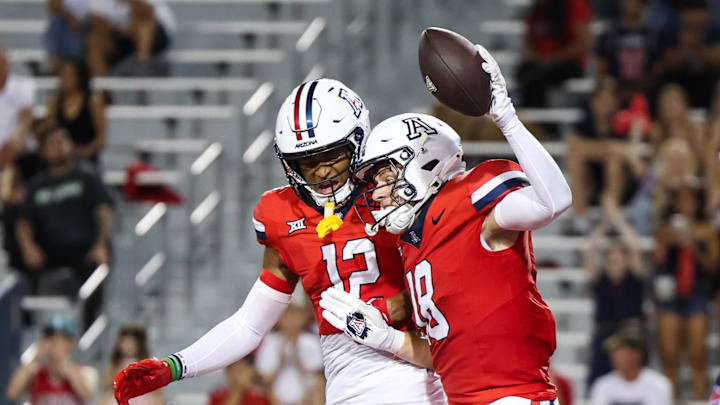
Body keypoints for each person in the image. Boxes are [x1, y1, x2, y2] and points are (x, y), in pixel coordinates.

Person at [112, 79, 446, 405]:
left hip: (421, 356)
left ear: (358, 142)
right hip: (347, 377)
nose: (321, 173)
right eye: (308, 163)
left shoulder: (398, 190)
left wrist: (389, 308)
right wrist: (176, 366)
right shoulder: (280, 214)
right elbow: (250, 323)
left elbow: (445, 278)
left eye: (332, 157)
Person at [320, 46, 572, 404]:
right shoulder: (413, 246)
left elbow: (555, 201)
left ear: (422, 162)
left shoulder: (470, 201)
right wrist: (385, 339)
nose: (375, 191)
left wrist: (507, 120)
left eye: (383, 175)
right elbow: (448, 355)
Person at [15, 124, 114, 329]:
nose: (59, 147)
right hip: (50, 252)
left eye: (63, 141)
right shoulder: (36, 185)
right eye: (52, 143)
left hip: (85, 251)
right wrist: (28, 247)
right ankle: (30, 330)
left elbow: (103, 213)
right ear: (43, 152)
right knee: (23, 269)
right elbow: (23, 222)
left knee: (96, 270)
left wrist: (100, 244)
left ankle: (90, 329)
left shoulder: (87, 177)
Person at [654, 185, 717, 398]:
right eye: (681, 200)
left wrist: (692, 245)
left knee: (698, 355)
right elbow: (656, 260)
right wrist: (670, 240)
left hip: (697, 293)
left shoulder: (706, 230)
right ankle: (672, 400)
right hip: (670, 294)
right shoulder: (665, 229)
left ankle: (700, 400)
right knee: (669, 354)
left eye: (690, 200)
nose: (686, 204)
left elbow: (713, 265)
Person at [584, 202, 646, 388]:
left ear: (626, 262)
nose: (615, 263)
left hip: (631, 336)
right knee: (597, 381)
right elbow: (589, 250)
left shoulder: (634, 279)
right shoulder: (600, 280)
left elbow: (634, 247)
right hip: (605, 338)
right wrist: (604, 224)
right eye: (611, 260)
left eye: (619, 260)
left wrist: (617, 221)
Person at [6, 315, 98, 405]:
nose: (54, 342)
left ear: (72, 343)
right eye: (49, 336)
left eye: (62, 337)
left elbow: (86, 395)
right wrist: (35, 356)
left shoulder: (85, 372)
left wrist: (63, 361)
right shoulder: (35, 373)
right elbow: (12, 393)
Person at [516, 0, 593, 107]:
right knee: (524, 71)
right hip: (542, 63)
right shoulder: (536, 10)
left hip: (569, 63)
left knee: (535, 77)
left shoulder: (573, 4)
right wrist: (535, 57)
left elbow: (583, 43)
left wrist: (552, 58)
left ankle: (540, 119)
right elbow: (527, 43)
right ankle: (536, 116)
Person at [254, 303, 322, 405]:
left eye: (295, 316)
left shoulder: (311, 342)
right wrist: (280, 362)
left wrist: (298, 360)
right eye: (287, 316)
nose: (291, 322)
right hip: (275, 401)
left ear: (303, 317)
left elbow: (318, 379)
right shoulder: (270, 342)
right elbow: (264, 380)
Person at [87, 0, 176, 76]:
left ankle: (142, 67)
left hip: (155, 35)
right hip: (121, 36)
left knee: (141, 18)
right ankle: (101, 91)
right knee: (94, 40)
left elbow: (147, 12)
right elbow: (97, 23)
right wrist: (124, 30)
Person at [589, 326, 672, 405]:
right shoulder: (602, 385)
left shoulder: (658, 385)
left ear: (635, 355)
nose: (614, 358)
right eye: (613, 353)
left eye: (619, 353)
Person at [594, 0, 663, 95]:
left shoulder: (654, 35)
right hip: (616, 92)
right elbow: (601, 68)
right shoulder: (609, 34)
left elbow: (659, 68)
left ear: (643, 6)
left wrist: (643, 87)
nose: (630, 4)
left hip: (647, 91)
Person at [46, 59, 107, 165]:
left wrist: (86, 151)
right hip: (61, 159)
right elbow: (49, 133)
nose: (65, 78)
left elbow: (102, 137)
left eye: (70, 74)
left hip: (88, 158)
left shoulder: (94, 101)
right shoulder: (54, 103)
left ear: (80, 76)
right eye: (63, 74)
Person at [99, 324, 164, 405]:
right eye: (124, 342)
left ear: (139, 345)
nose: (127, 346)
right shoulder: (115, 365)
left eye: (131, 343)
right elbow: (106, 384)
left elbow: (156, 390)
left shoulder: (148, 365)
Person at [0, 44, 35, 173]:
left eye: (5, 63)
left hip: (15, 147)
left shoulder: (22, 86)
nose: (3, 67)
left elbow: (25, 120)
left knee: (10, 148)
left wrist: (16, 140)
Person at [207, 357, 278, 405]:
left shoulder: (258, 394)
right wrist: (238, 389)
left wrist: (267, 388)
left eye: (246, 369)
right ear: (227, 371)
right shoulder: (218, 394)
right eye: (239, 370)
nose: (244, 374)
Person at [45, 0, 90, 72]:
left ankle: (79, 67)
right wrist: (70, 17)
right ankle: (55, 63)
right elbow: (53, 6)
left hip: (89, 24)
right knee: (56, 23)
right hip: (66, 22)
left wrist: (82, 20)